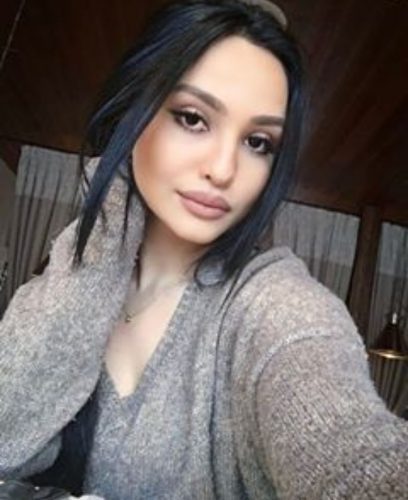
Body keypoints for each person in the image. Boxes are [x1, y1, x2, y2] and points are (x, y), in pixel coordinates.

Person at [1, 0, 407, 499]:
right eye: (193, 118)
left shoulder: (273, 303)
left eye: (258, 142)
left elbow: (352, 453)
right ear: (135, 113)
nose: (224, 170)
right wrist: (109, 217)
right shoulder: (70, 270)